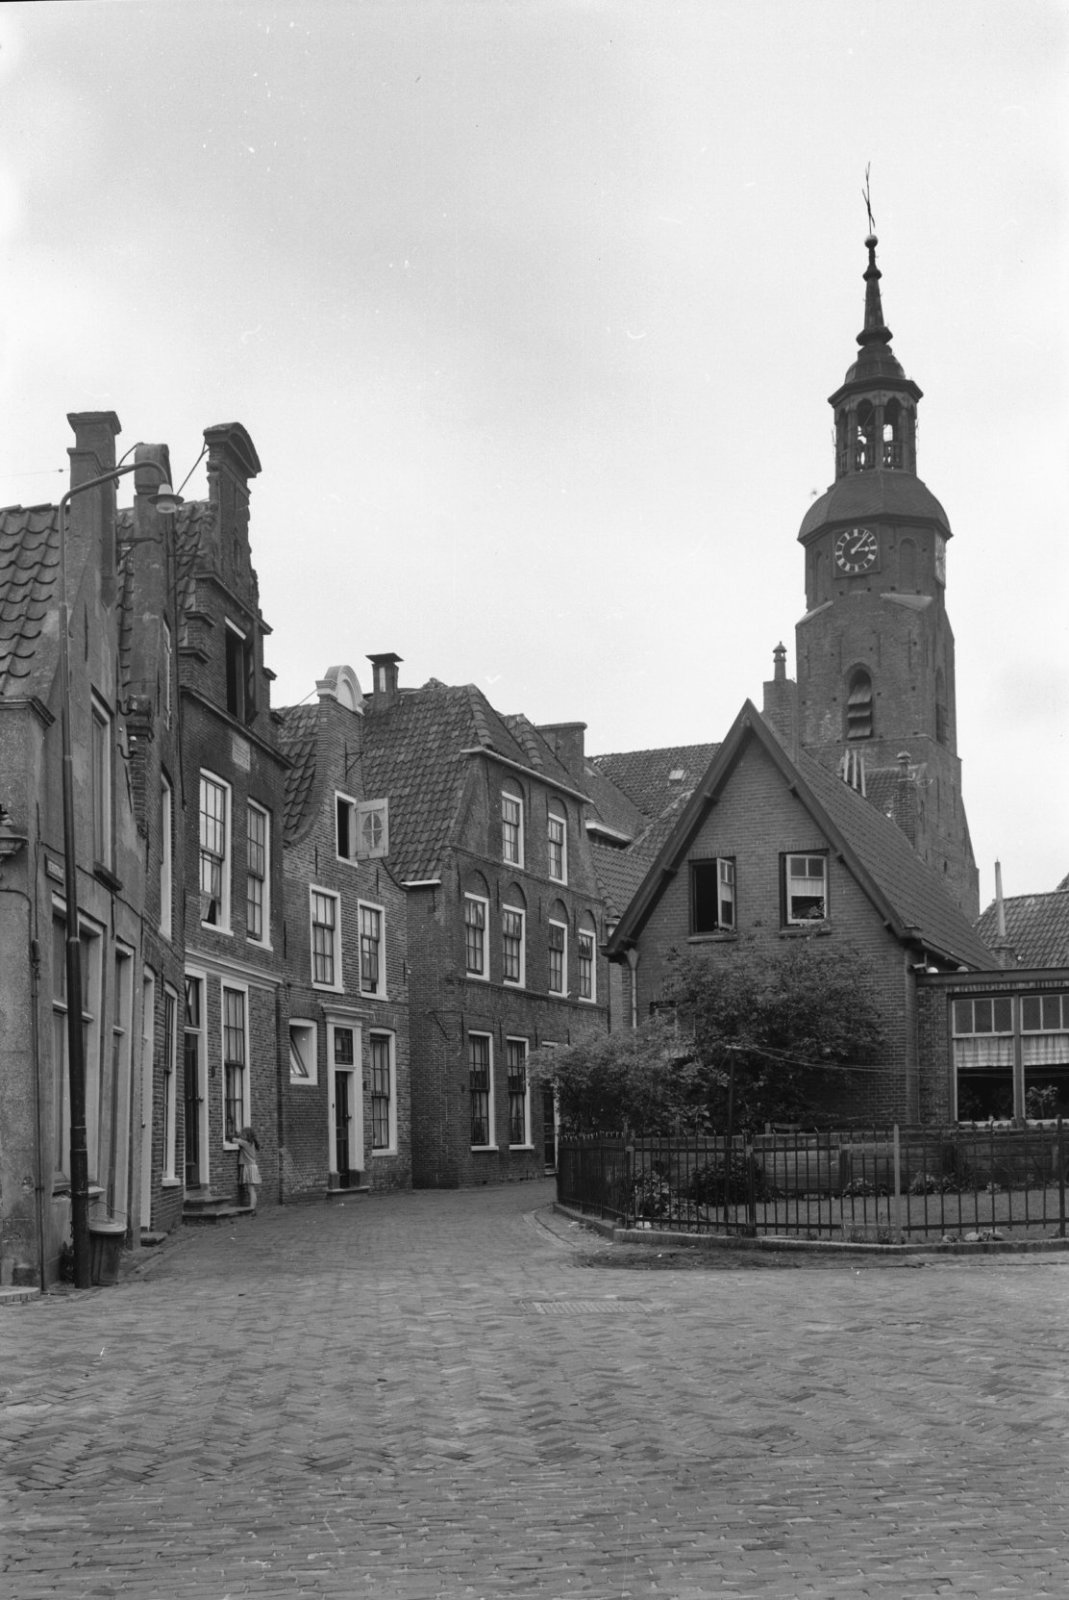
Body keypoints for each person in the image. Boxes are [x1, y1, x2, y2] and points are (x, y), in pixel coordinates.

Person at [236, 1125, 261, 1213]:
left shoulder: (246, 1144)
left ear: (247, 1136)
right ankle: (252, 1207)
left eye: (243, 1134)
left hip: (249, 1167)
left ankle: (252, 1207)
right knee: (251, 1189)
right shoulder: (251, 1143)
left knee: (251, 1189)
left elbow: (234, 1140)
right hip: (252, 1166)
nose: (241, 1136)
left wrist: (236, 1136)